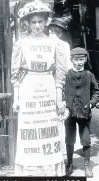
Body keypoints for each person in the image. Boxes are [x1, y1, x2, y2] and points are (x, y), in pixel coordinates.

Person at [11, 0, 68, 176]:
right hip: (28, 89)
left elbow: (59, 74)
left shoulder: (55, 44)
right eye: (33, 22)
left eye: (40, 22)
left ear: (46, 22)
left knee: (49, 130)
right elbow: (16, 74)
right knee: (29, 131)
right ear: (28, 23)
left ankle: (50, 172)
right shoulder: (21, 44)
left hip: (48, 90)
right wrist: (16, 97)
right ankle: (30, 172)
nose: (37, 26)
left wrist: (59, 100)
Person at [49, 18, 82, 154]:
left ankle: (63, 149)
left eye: (59, 30)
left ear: (62, 32)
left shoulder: (64, 45)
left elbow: (68, 67)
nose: (56, 32)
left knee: (62, 113)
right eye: (53, 29)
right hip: (47, 80)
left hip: (61, 81)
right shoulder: (45, 42)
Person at [64, 47, 99, 177]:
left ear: (85, 60)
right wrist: (63, 103)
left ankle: (87, 166)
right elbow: (60, 90)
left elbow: (96, 91)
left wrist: (91, 103)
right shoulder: (67, 75)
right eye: (76, 59)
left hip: (84, 113)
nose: (79, 62)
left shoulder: (89, 75)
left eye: (82, 59)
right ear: (71, 60)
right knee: (69, 139)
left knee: (86, 140)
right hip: (70, 113)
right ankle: (69, 164)